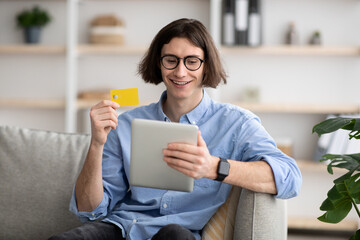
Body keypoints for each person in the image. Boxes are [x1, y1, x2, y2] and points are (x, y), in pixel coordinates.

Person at [49, 18, 302, 240]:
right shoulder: (126, 123)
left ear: (206, 65)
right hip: (123, 227)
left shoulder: (237, 124)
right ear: (159, 64)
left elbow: (290, 177)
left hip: (180, 234)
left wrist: (214, 167)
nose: (180, 71)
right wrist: (96, 144)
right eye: (171, 60)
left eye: (192, 61)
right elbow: (91, 210)